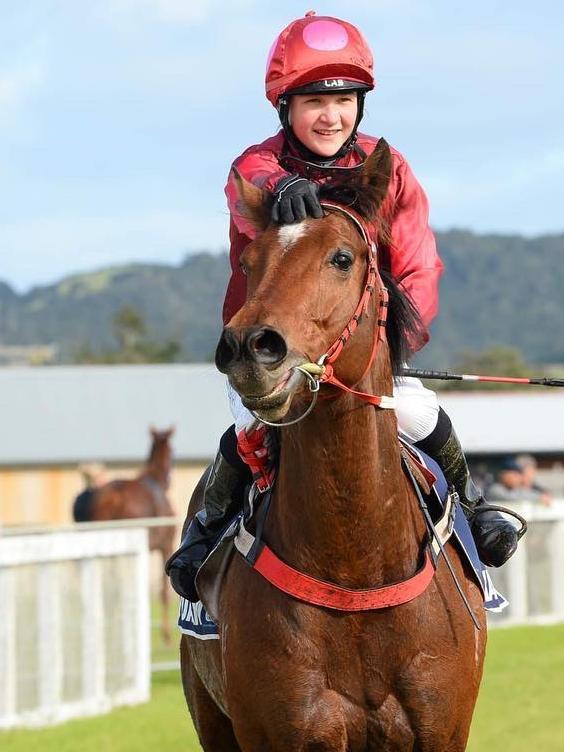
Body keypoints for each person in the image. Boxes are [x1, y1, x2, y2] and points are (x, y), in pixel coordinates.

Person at [166, 12, 519, 601]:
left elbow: (416, 265)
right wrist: (280, 190)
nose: (330, 116)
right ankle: (207, 536)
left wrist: (393, 348)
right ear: (286, 108)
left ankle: (475, 511)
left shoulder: (389, 167)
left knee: (418, 413)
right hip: (270, 349)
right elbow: (245, 182)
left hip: (363, 349)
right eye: (313, 102)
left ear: (360, 104)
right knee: (251, 424)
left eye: (344, 100)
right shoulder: (259, 166)